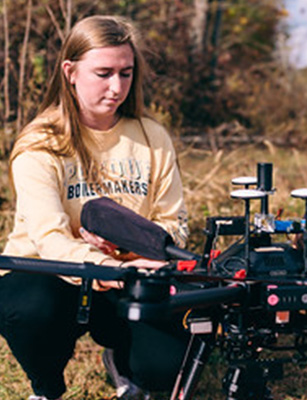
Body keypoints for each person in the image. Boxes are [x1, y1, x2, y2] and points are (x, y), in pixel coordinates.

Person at [0, 15, 190, 400]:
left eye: (126, 72)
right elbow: (50, 237)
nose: (117, 87)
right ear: (70, 71)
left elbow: (176, 224)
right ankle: (47, 386)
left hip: (132, 272)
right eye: (103, 73)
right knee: (26, 310)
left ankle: (125, 364)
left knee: (166, 365)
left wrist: (129, 253)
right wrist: (107, 266)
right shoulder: (41, 142)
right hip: (50, 276)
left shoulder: (152, 137)